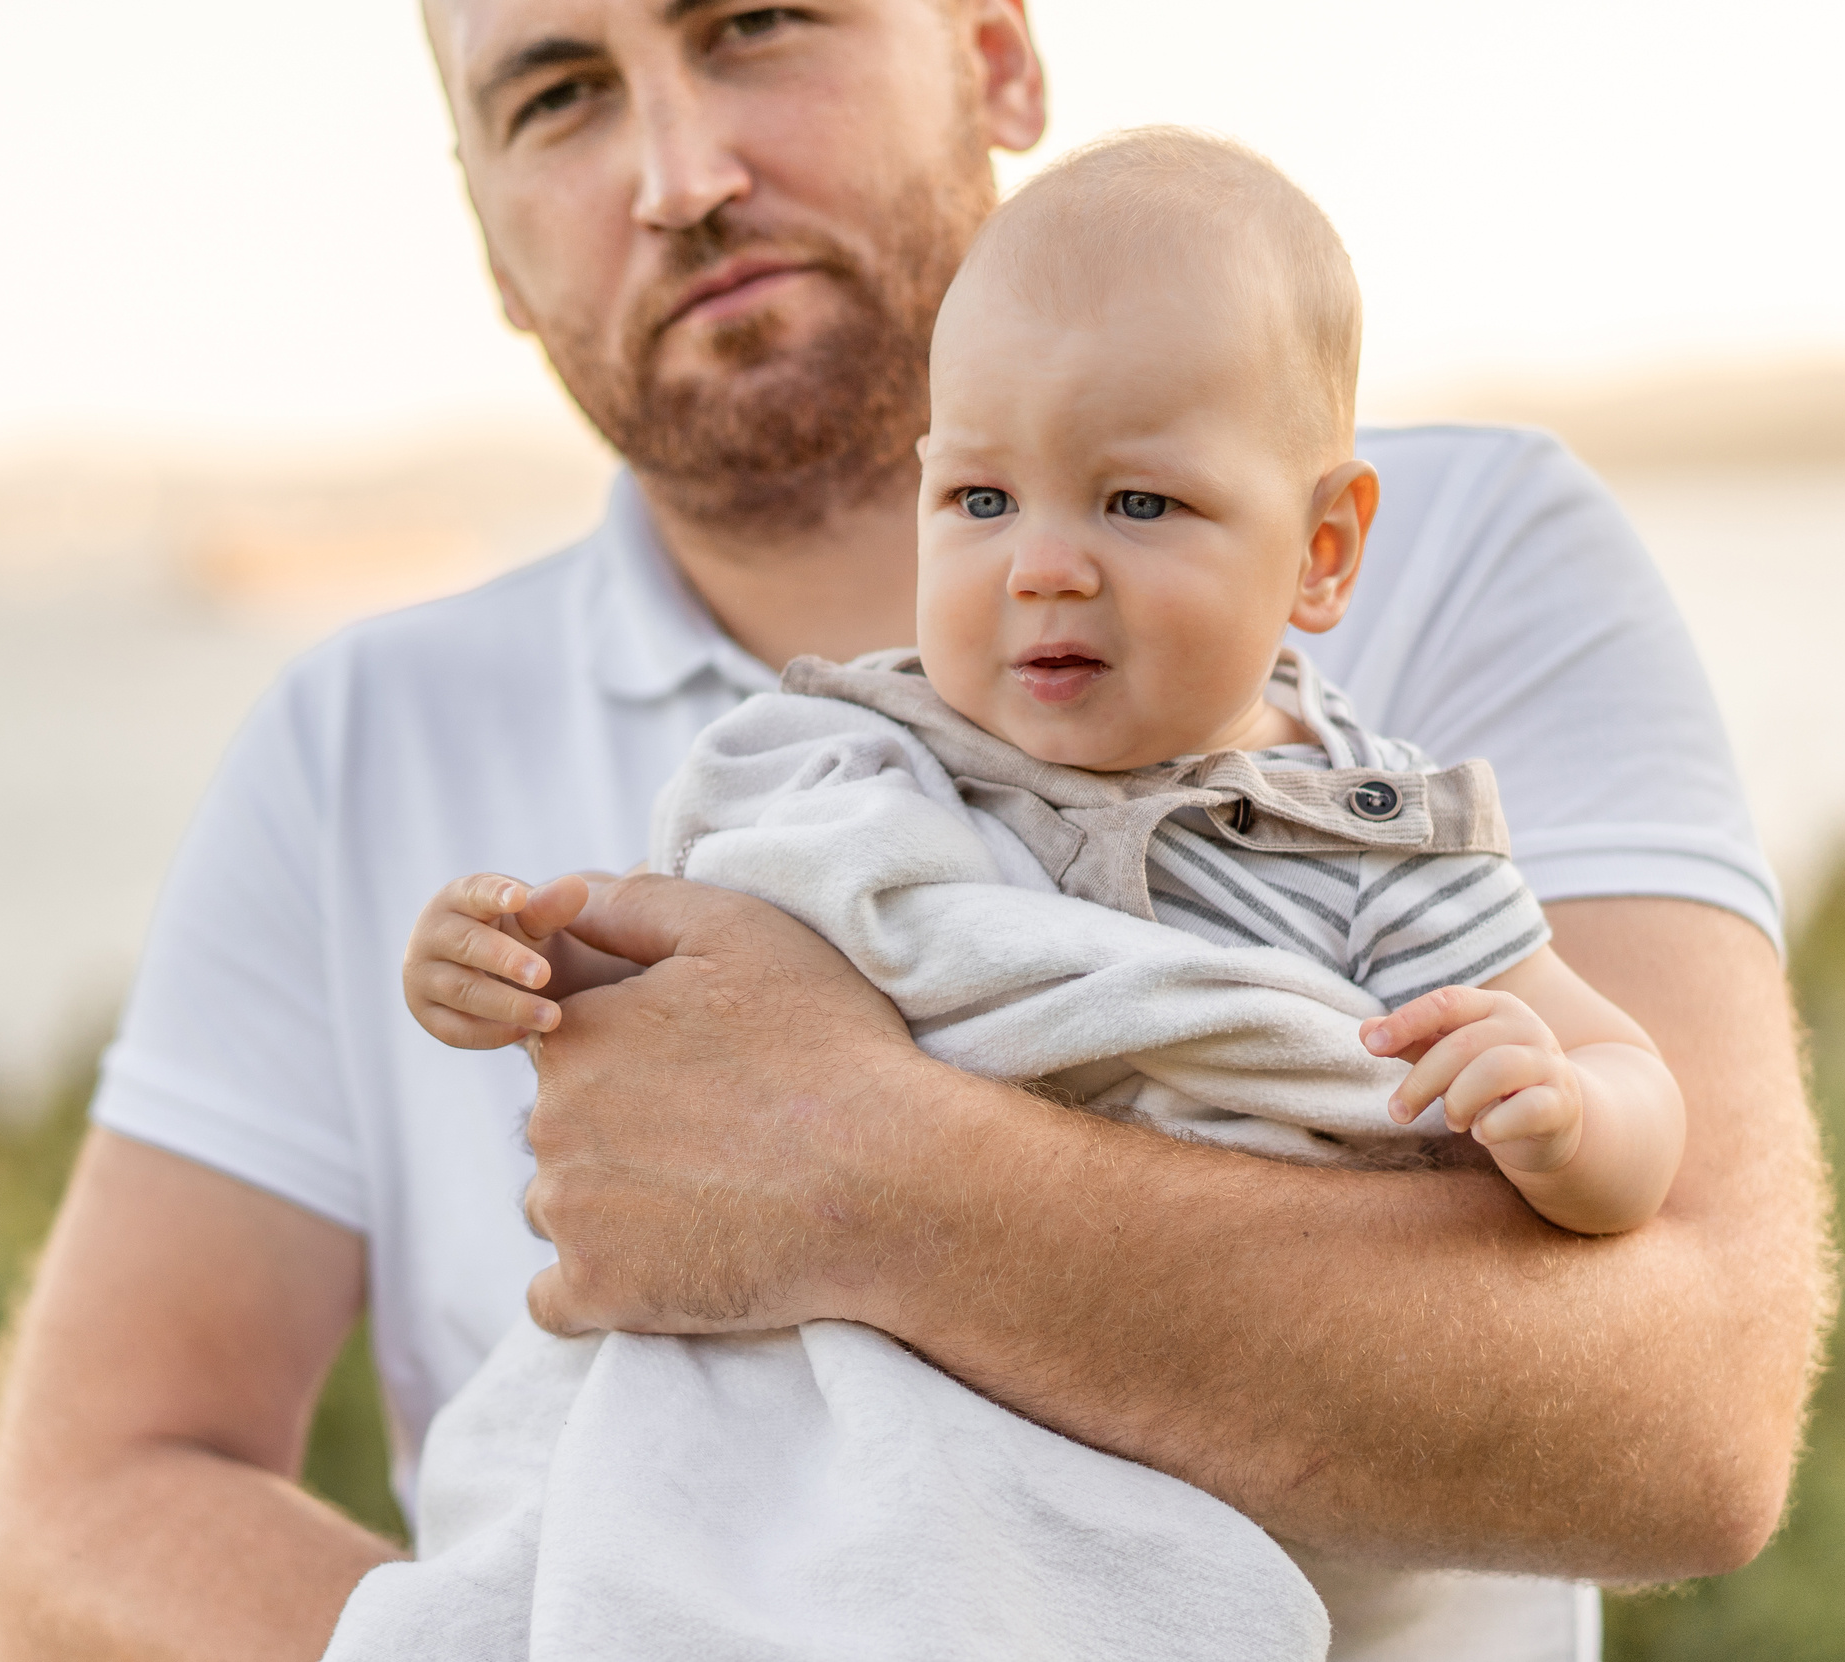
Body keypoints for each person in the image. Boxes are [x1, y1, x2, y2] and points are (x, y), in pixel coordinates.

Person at [0, 4, 1832, 1660]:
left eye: (757, 23)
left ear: (996, 53)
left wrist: (850, 1170)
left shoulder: (1466, 567)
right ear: (486, 238)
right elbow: (86, 1504)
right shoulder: (354, 738)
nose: (681, 175)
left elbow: (1698, 1416)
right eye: (555, 92)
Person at [361, 129, 1691, 1659]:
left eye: (1136, 505)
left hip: (1180, 1460)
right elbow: (699, 1054)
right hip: (864, 1448)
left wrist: (1570, 1122)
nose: (1044, 567)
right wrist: (521, 968)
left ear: (1320, 550)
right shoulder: (861, 769)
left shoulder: (1362, 840)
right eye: (983, 501)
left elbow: (1629, 1078)